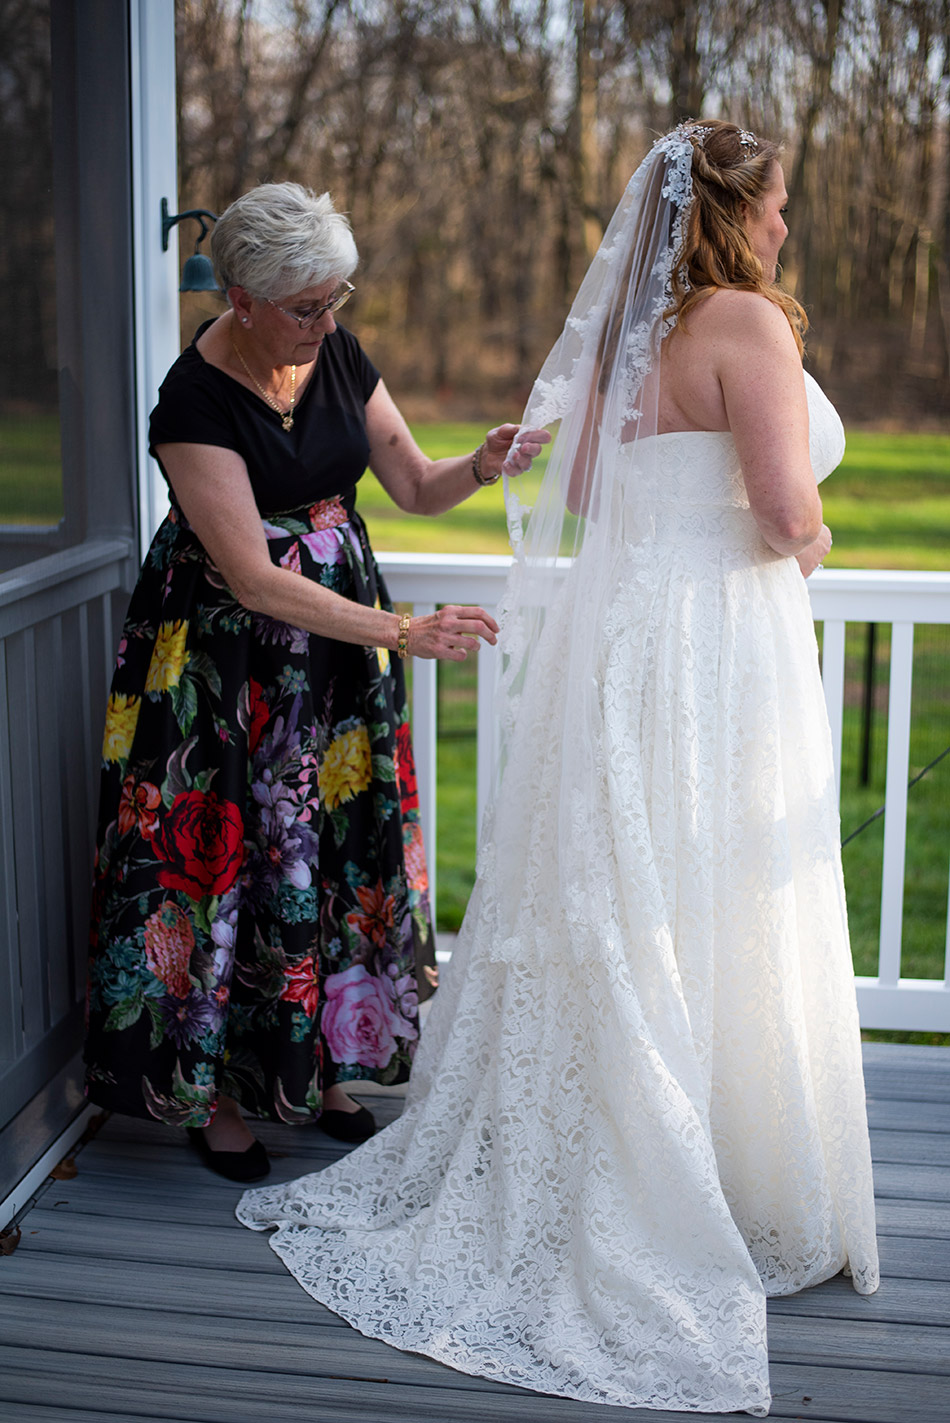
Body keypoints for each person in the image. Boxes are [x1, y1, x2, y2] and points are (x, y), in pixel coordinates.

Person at [236, 123, 880, 1413]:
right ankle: (713, 1176)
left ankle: (626, 1143)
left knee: (630, 887)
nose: (786, 229)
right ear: (732, 214)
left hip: (630, 638)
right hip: (715, 640)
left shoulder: (631, 344)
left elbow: (587, 484)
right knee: (713, 884)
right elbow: (778, 511)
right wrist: (802, 551)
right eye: (779, 207)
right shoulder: (746, 326)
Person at [83, 181, 547, 1184]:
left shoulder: (330, 348)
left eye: (337, 300)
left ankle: (324, 1068)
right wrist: (401, 631)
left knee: (333, 852)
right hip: (227, 662)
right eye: (306, 306)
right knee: (232, 862)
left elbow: (415, 482)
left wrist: (481, 461)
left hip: (332, 654)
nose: (327, 322)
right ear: (239, 296)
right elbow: (251, 578)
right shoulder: (192, 399)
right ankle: (219, 1098)